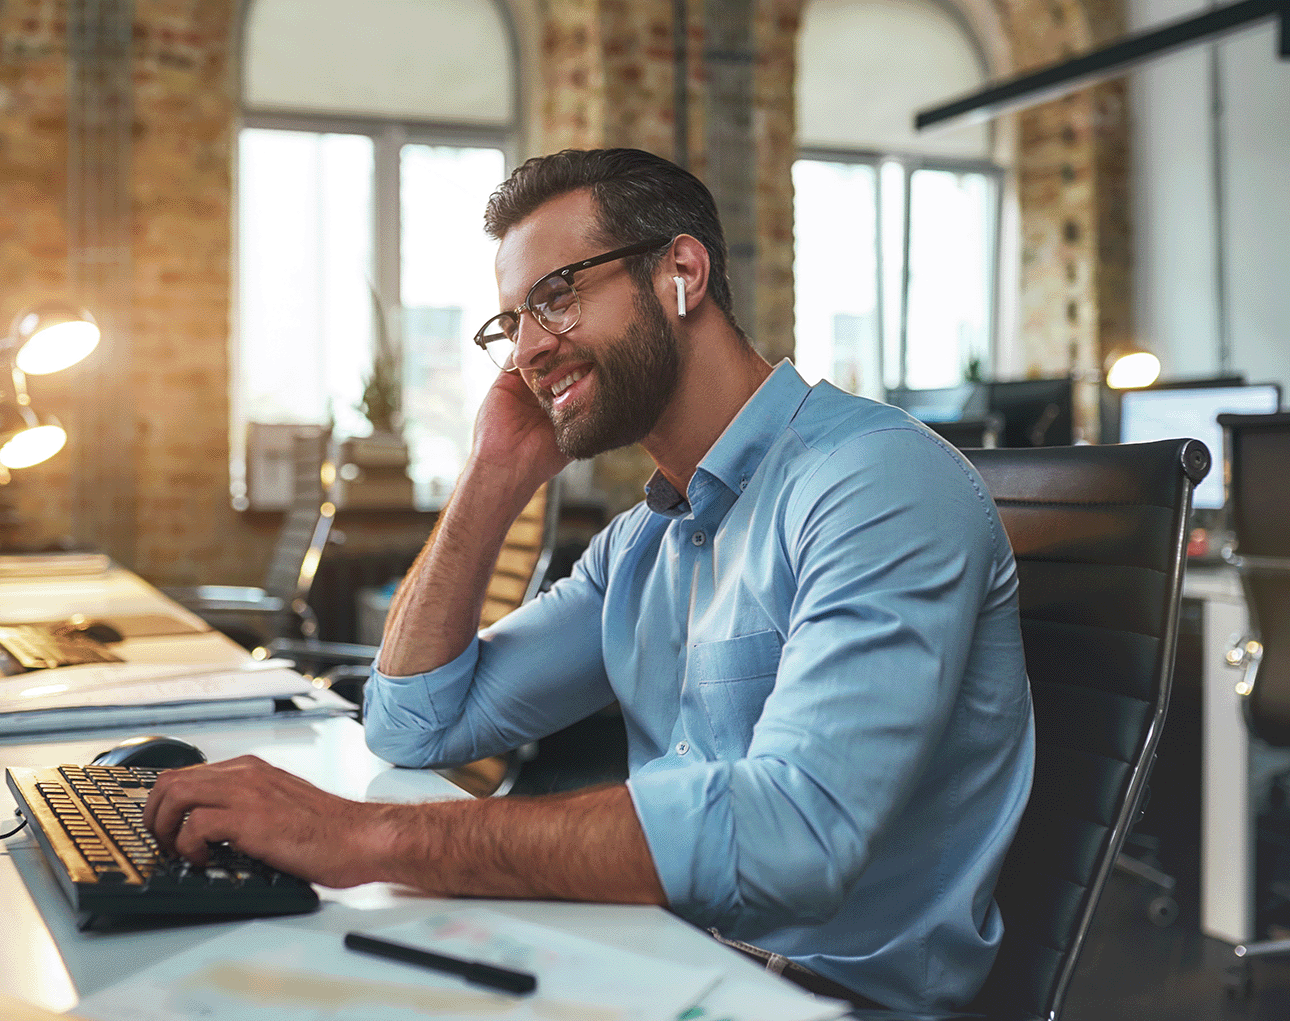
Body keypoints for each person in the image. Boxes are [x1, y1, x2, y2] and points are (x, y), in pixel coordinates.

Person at [143, 148, 1034, 1013]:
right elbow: (413, 724)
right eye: (511, 323)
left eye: (556, 298)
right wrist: (491, 472)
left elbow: (793, 837)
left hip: (812, 996)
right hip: (659, 960)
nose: (527, 350)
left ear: (679, 272)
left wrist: (363, 835)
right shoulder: (644, 542)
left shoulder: (872, 481)